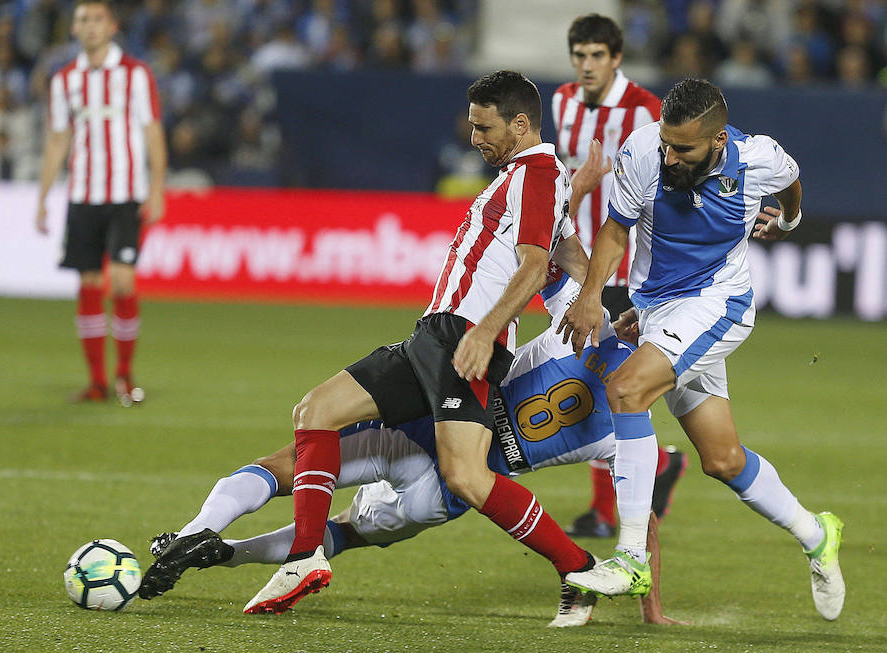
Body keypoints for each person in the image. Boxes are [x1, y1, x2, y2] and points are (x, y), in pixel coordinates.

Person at [144, 70, 601, 617]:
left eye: (484, 127)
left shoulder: (538, 175)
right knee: (318, 410)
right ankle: (306, 554)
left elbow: (532, 266)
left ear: (520, 124)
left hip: (463, 336)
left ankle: (579, 567)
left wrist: (486, 330)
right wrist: (587, 256)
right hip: (434, 335)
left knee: (467, 476)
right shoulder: (535, 179)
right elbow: (568, 257)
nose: (474, 137)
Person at [139, 273, 681, 627]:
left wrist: (577, 207)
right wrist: (651, 612)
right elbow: (644, 519)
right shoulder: (630, 429)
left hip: (426, 429)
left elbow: (553, 265)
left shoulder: (577, 329)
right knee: (346, 532)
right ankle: (220, 550)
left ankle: (199, 537)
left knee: (290, 463)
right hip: (455, 488)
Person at [559, 78, 845, 621]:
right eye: (667, 142)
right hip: (660, 310)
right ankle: (817, 534)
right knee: (722, 459)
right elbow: (616, 230)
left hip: (719, 303)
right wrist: (594, 295)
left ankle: (630, 557)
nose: (670, 154)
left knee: (626, 388)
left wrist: (788, 220)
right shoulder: (643, 150)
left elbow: (791, 180)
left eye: (683, 148)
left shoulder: (757, 158)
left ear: (716, 141)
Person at [552, 13, 686, 539]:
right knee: (592, 376)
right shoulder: (561, 100)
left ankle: (610, 509)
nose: (586, 65)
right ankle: (650, 473)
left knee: (607, 381)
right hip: (574, 257)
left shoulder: (646, 109)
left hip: (622, 263)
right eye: (579, 55)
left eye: (596, 56)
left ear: (616, 58)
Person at [34, 0, 167, 406]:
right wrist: (42, 197)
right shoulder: (64, 80)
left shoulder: (136, 75)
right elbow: (58, 140)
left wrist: (157, 187)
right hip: (83, 196)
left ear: (110, 26)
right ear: (74, 30)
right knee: (89, 283)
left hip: (126, 194)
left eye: (96, 19)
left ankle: (125, 375)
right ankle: (97, 382)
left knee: (123, 280)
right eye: (81, 20)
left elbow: (151, 131)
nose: (89, 26)